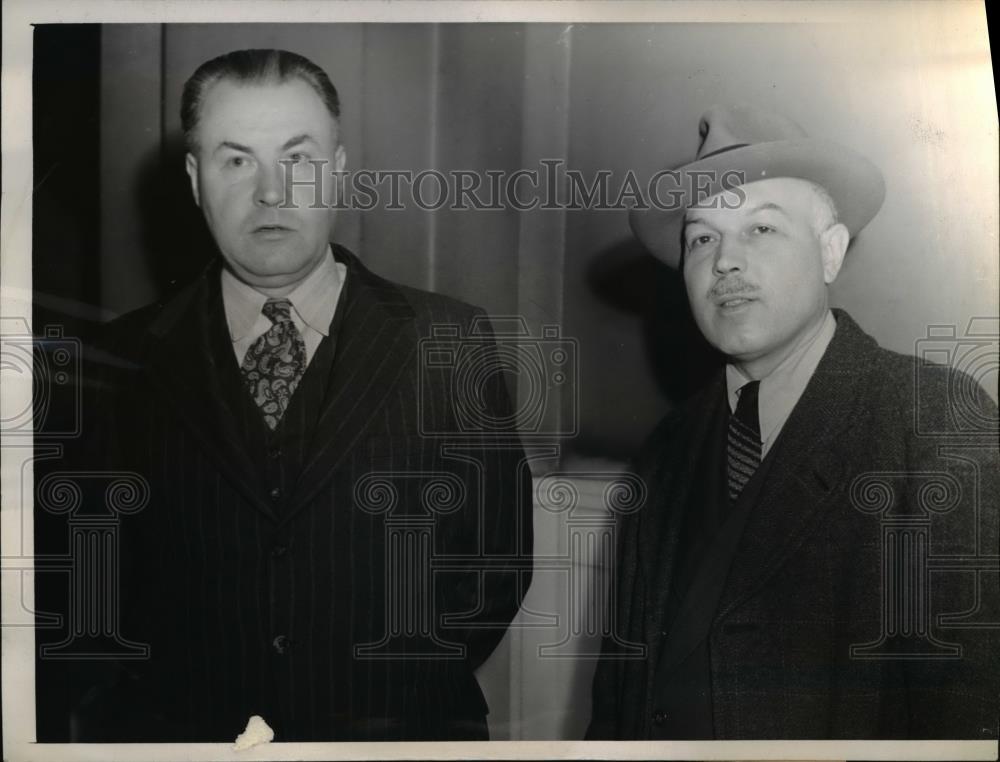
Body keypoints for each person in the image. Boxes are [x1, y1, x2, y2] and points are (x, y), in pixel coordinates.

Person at [73, 48, 532, 742]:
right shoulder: (118, 362)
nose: (271, 192)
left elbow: (495, 567)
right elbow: (92, 587)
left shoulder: (451, 339)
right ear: (195, 180)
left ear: (339, 168)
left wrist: (380, 706)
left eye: (298, 157)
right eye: (236, 160)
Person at [587, 104, 999, 739]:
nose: (724, 262)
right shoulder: (668, 446)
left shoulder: (935, 421)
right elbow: (620, 697)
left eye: (761, 230)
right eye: (702, 238)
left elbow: (971, 705)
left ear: (830, 252)